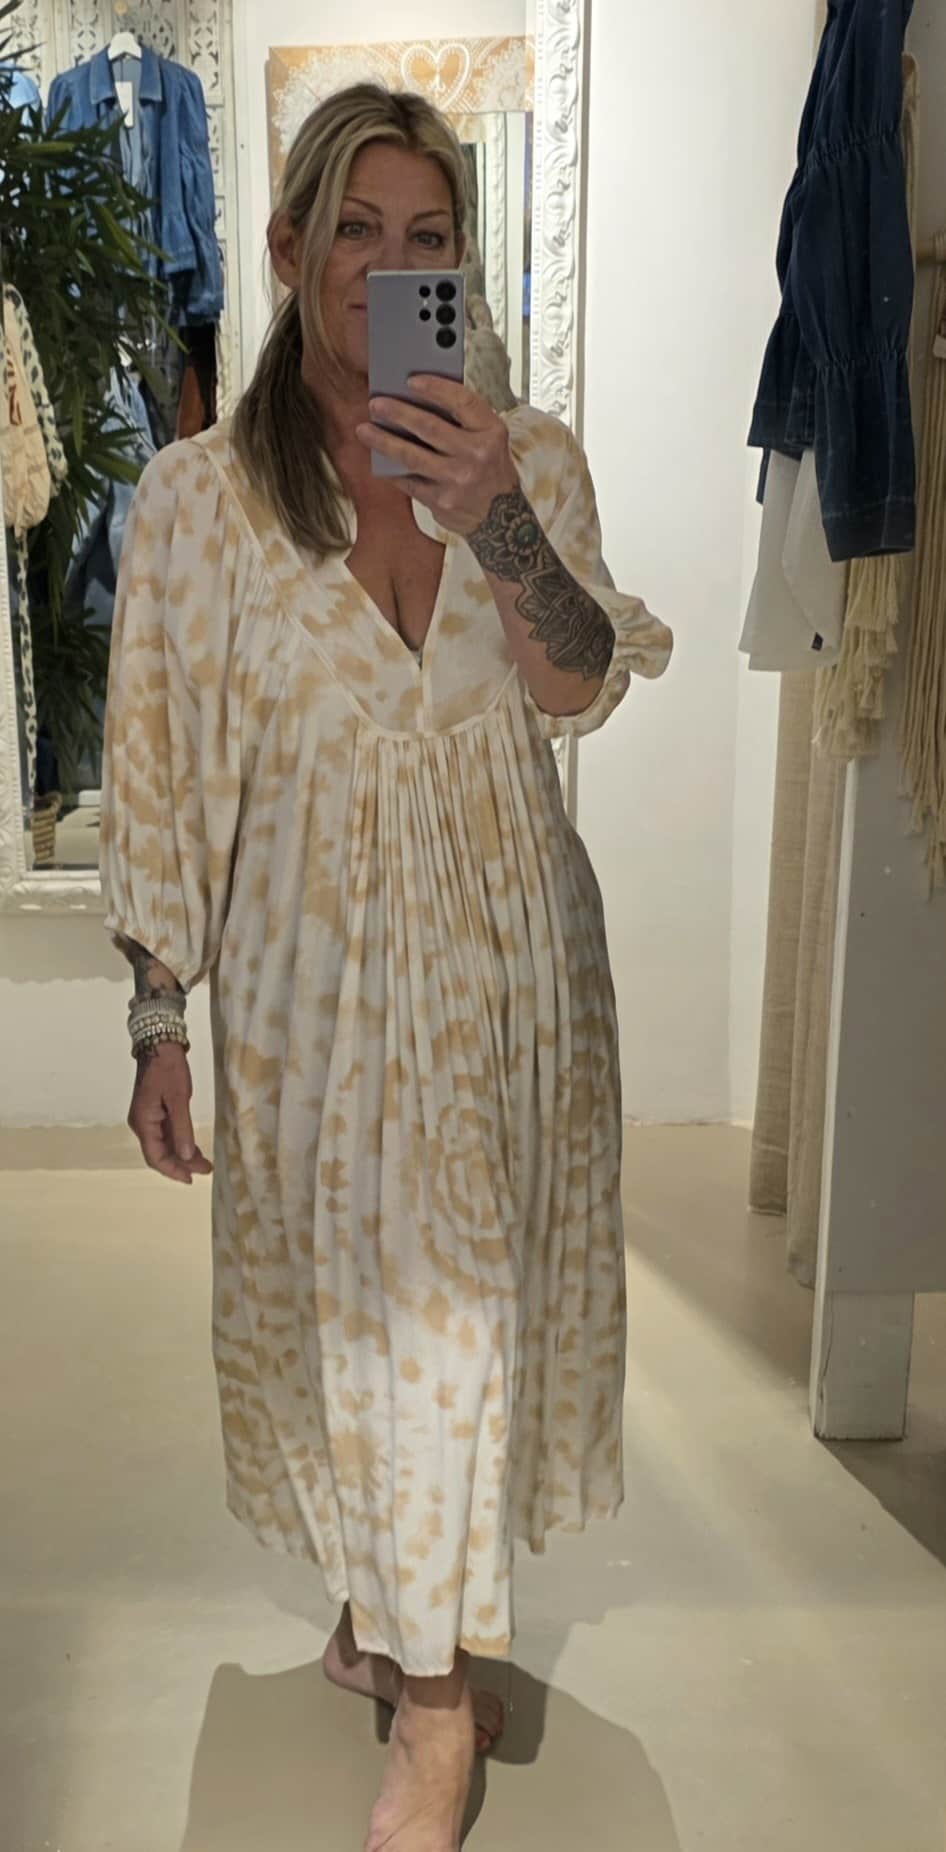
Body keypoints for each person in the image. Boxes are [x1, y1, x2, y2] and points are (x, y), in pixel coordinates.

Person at [99, 82, 673, 1852]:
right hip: (312, 992)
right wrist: (159, 1016)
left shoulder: (530, 461)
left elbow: (575, 681)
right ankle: (420, 1674)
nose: (387, 266)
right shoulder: (199, 501)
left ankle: (415, 1663)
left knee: (468, 1312)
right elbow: (155, 764)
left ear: (458, 267)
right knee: (362, 1318)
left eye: (426, 238)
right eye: (355, 229)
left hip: (512, 968)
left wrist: (496, 511)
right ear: (286, 250)